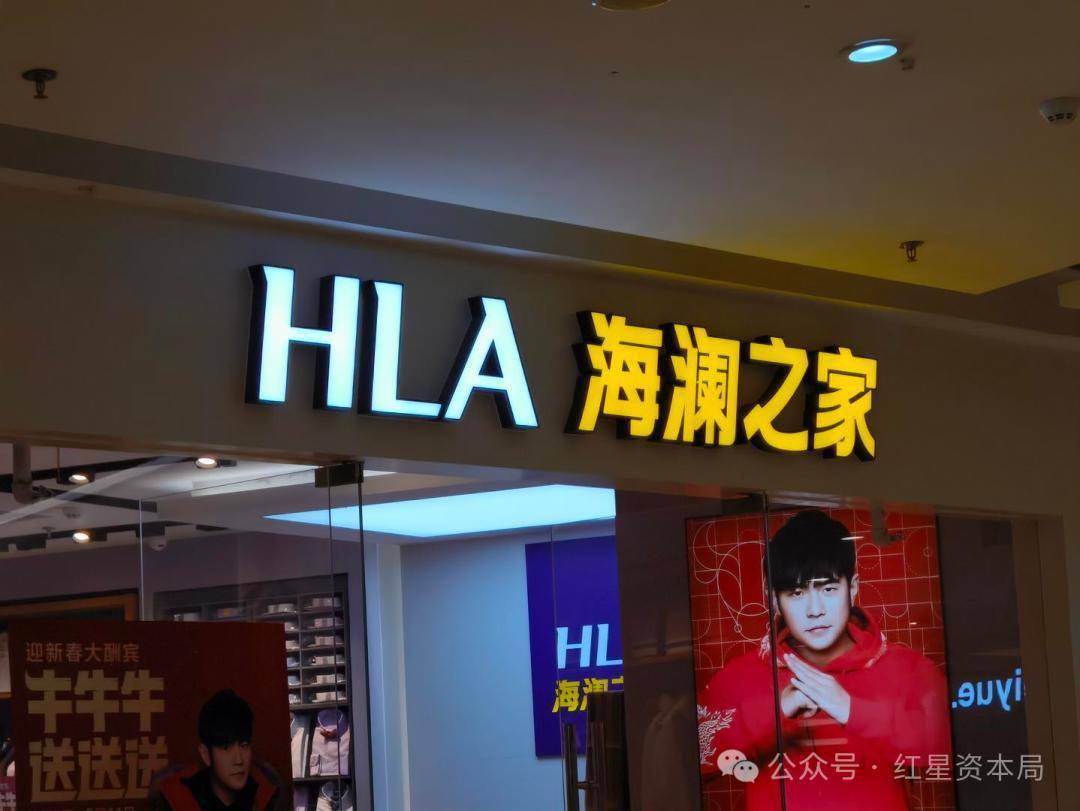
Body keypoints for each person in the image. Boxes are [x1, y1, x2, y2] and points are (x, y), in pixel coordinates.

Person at [697, 510, 951, 810]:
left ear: (852, 588)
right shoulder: (740, 677)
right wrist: (775, 711)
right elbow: (698, 761)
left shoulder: (906, 668)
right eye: (796, 593)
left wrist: (852, 709)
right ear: (773, 598)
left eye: (828, 589)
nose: (814, 610)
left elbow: (950, 750)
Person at [151, 689, 285, 811]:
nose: (239, 760)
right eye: (226, 748)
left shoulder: (267, 794)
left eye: (244, 745)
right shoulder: (176, 799)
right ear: (206, 755)